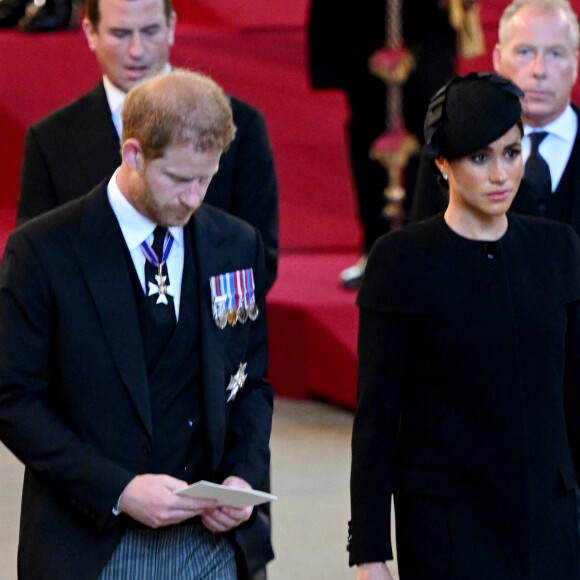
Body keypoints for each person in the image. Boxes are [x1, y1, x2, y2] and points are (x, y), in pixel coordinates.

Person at [0, 69, 274, 580]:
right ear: (132, 154)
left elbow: (251, 383)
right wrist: (118, 490)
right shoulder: (43, 252)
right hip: (92, 544)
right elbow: (12, 399)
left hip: (212, 546)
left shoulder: (236, 244)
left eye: (206, 178)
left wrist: (243, 476)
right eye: (178, 179)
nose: (194, 198)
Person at [348, 72, 580, 579]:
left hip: (550, 524)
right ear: (442, 165)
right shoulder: (402, 260)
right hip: (448, 533)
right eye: (480, 157)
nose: (501, 174)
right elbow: (376, 419)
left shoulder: (557, 249)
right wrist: (369, 551)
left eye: (512, 153)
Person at [17, 0, 279, 295]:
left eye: (150, 31)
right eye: (120, 33)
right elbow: (35, 261)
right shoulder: (52, 139)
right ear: (91, 32)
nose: (136, 51)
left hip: (205, 334)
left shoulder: (240, 125)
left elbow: (257, 257)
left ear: (171, 28)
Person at [308, 0, 456, 287]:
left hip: (424, 15)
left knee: (431, 116)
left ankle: (425, 243)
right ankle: (375, 246)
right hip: (362, 13)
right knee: (368, 118)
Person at [410, 0, 580, 233]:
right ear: (498, 59)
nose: (539, 70)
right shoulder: (449, 147)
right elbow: (422, 254)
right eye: (525, 52)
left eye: (555, 54)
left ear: (575, 63)